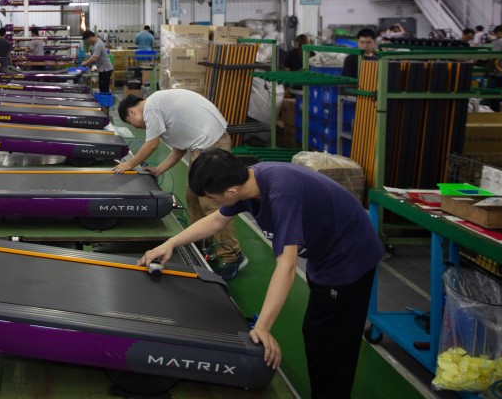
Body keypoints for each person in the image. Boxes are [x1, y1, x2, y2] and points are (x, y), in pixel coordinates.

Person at [140, 150, 384, 397]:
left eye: (213, 197)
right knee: (322, 329)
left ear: (231, 192)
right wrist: (169, 243)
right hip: (324, 251)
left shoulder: (281, 194)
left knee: (328, 340)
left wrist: (264, 327)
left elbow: (287, 266)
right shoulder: (249, 182)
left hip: (348, 256)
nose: (213, 202)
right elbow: (216, 220)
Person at [114, 91, 246, 280]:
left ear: (132, 112)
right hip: (203, 144)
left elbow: (151, 145)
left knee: (211, 202)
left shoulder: (151, 107)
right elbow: (179, 149)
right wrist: (159, 169)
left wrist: (128, 164)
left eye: (131, 123)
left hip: (211, 144)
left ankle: (232, 256)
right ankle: (202, 242)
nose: (138, 127)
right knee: (192, 196)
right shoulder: (162, 109)